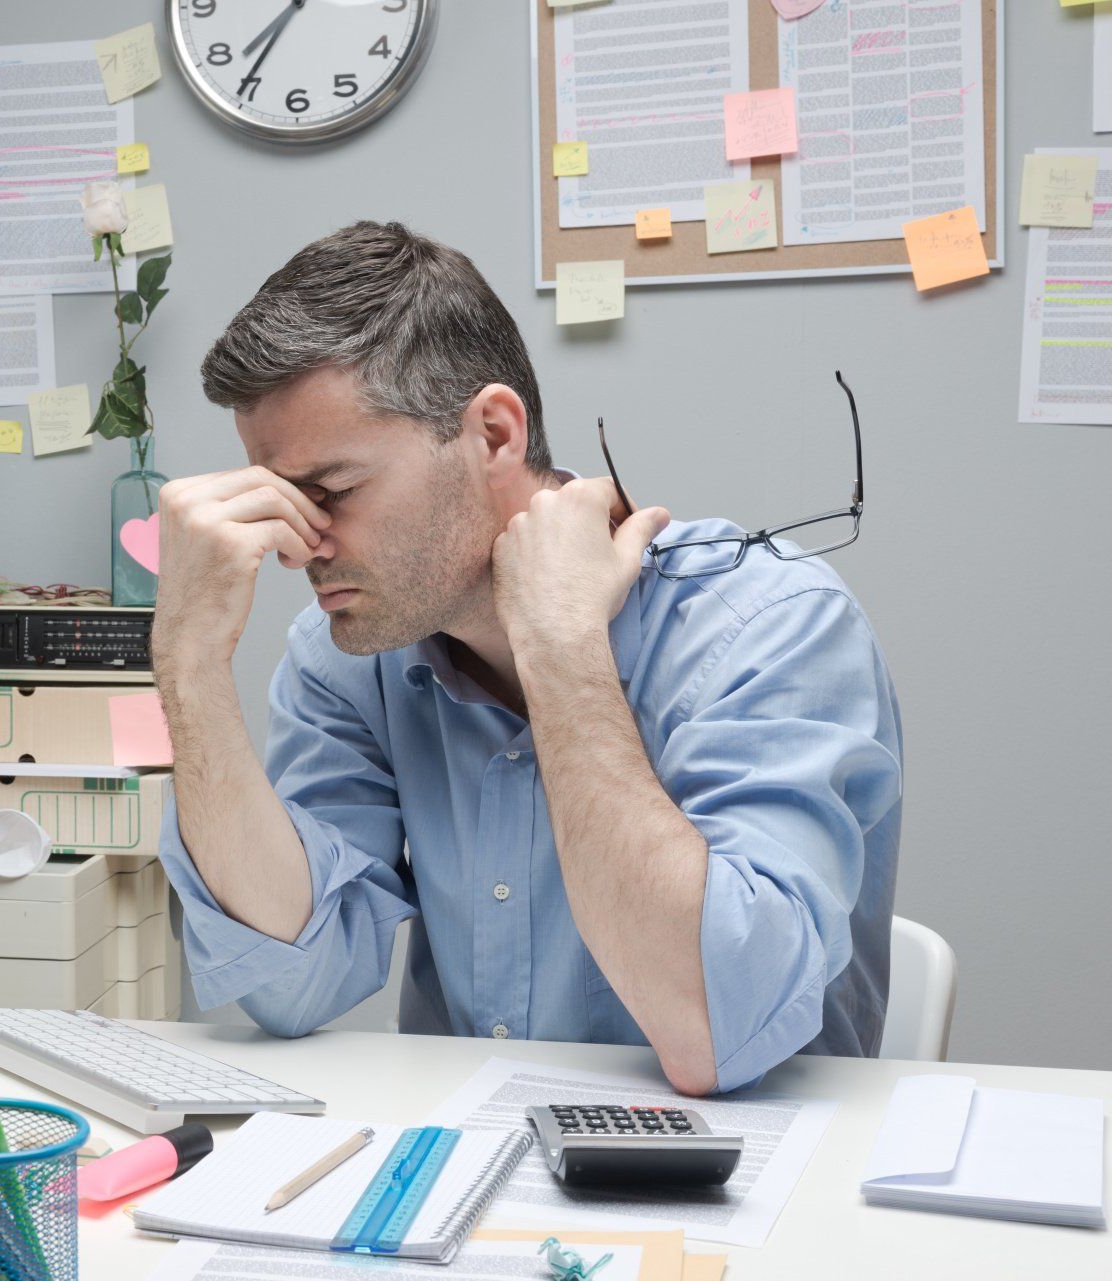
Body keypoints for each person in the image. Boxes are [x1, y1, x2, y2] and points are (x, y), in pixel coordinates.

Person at [152, 221, 902, 1095]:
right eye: (284, 500)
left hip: (756, 1178)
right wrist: (188, 661)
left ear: (495, 435)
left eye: (333, 492)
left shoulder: (771, 623)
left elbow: (715, 1031)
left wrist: (560, 646)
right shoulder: (350, 656)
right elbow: (289, 980)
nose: (298, 544)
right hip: (470, 1176)